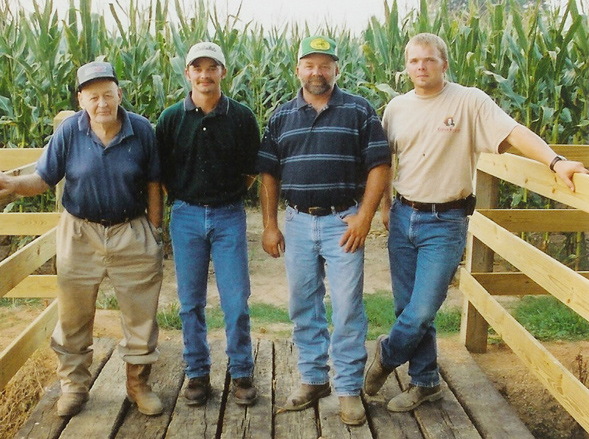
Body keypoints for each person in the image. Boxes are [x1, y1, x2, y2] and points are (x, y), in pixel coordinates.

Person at [364, 33, 589, 413]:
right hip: (404, 215)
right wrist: (386, 206)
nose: (421, 67)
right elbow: (385, 161)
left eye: (429, 60)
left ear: (445, 63)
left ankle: (386, 355)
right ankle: (426, 383)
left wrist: (555, 162)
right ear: (406, 66)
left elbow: (514, 132)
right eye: (414, 61)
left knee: (421, 311)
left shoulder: (469, 101)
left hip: (445, 220)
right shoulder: (396, 108)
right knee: (409, 309)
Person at [0, 61, 165, 417]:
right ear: (81, 100)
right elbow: (43, 179)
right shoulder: (69, 133)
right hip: (79, 232)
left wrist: (154, 230)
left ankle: (138, 384)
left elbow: (154, 182)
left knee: (141, 317)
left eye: (108, 94)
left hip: (131, 231)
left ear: (120, 94)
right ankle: (74, 386)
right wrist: (12, 186)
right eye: (93, 97)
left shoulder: (142, 130)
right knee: (73, 317)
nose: (102, 103)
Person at [257, 35, 391, 426]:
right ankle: (314, 378)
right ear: (298, 69)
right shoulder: (281, 116)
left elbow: (379, 165)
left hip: (343, 221)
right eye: (310, 65)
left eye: (325, 65)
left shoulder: (359, 110)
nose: (317, 72)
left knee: (348, 307)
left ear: (336, 69)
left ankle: (348, 388)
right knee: (303, 304)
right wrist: (269, 225)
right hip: (298, 222)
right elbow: (268, 172)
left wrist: (365, 216)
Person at [155, 42, 260, 407]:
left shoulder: (242, 117)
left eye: (211, 67)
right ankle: (197, 373)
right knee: (189, 302)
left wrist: (224, 196)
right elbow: (162, 174)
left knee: (236, 301)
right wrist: (186, 197)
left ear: (222, 72)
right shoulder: (170, 119)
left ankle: (242, 371)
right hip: (185, 216)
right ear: (187, 73)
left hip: (229, 215)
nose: (204, 75)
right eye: (197, 68)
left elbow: (251, 172)